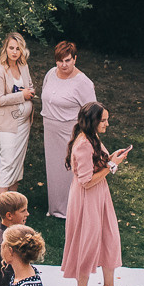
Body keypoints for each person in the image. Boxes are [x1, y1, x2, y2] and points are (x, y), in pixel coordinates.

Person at [60, 102, 130, 286]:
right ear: (92, 121)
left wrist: (111, 159)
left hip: (100, 195)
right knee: (87, 244)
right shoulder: (82, 144)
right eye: (104, 120)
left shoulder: (93, 138)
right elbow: (86, 181)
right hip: (86, 198)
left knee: (110, 238)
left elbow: (97, 165)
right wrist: (111, 166)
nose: (107, 124)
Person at [39, 42, 97, 219]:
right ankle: (55, 207)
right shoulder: (50, 74)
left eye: (67, 60)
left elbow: (92, 111)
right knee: (54, 169)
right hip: (50, 130)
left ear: (75, 59)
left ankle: (71, 209)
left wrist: (87, 136)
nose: (63, 65)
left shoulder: (83, 82)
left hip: (70, 132)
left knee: (69, 169)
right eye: (59, 61)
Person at [0, 34, 36, 193]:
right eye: (11, 48)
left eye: (18, 48)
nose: (14, 52)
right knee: (7, 162)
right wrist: (21, 96)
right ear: (5, 49)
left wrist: (30, 92)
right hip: (7, 124)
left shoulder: (23, 66)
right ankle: (3, 205)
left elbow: (29, 87)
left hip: (24, 124)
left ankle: (14, 202)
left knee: (17, 163)